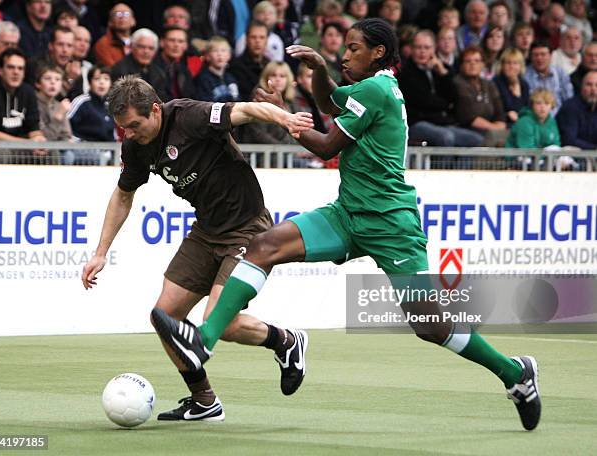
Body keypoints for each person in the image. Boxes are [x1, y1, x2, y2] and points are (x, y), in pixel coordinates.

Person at [151, 17, 542, 433]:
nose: (346, 54)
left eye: (354, 48)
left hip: (391, 223)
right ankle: (203, 342)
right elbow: (332, 104)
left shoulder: (376, 89)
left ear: (378, 53)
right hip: (348, 213)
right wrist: (319, 72)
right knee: (264, 245)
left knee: (430, 325)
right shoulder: (373, 87)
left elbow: (325, 145)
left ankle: (514, 373)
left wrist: (284, 116)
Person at [81, 75, 313, 422]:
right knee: (164, 317)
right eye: (122, 128)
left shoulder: (190, 116)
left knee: (221, 323)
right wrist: (100, 252)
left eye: (133, 125)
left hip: (248, 230)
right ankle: (204, 401)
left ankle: (286, 341)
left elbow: (247, 110)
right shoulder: (135, 145)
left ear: (155, 111)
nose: (128, 134)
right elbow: (123, 195)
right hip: (205, 231)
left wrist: (286, 119)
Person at [397, 29, 483, 147]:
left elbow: (454, 97)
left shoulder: (441, 69)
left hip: (441, 122)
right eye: (418, 47)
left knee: (475, 139)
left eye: (427, 48)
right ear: (411, 49)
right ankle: (442, 166)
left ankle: (460, 166)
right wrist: (446, 104)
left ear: (434, 49)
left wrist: (443, 73)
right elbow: (424, 101)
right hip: (416, 123)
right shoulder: (405, 72)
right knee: (446, 137)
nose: (422, 52)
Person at [0, 48, 47, 164]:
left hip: (20, 146)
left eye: (20, 68)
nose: (16, 72)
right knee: (1, 154)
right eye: (10, 67)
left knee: (51, 154)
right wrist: (26, 143)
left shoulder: (28, 91)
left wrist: (38, 140)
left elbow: (33, 127)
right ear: (0, 71)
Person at [454, 45, 508, 146]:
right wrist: (494, 129)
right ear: (461, 65)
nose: (472, 64)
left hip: (489, 129)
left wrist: (500, 126)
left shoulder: (489, 84)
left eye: (477, 61)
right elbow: (469, 116)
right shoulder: (458, 83)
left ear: (483, 64)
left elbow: (499, 112)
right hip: (466, 129)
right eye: (468, 61)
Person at [67, 65, 115, 165]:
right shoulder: (81, 101)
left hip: (105, 151)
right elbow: (66, 125)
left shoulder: (110, 106)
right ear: (89, 82)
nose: (102, 82)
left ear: (110, 84)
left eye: (106, 79)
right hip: (80, 149)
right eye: (97, 79)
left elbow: (112, 136)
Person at [111, 28, 168, 101]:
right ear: (131, 47)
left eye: (151, 48)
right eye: (142, 47)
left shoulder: (159, 72)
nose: (146, 51)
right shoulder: (120, 71)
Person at [525, 41, 574, 115]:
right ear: (531, 57)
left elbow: (569, 100)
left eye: (543, 54)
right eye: (535, 55)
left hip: (560, 118)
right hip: (533, 119)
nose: (539, 58)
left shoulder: (561, 73)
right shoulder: (524, 76)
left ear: (550, 56)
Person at [34, 63, 70, 164]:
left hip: (57, 148)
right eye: (48, 78)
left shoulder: (59, 105)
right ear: (38, 83)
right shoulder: (33, 103)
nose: (53, 82)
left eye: (57, 79)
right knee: (65, 156)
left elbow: (67, 136)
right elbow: (41, 138)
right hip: (38, 152)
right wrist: (58, 117)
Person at [229, 21, 270, 101]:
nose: (257, 41)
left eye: (262, 37)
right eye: (253, 37)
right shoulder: (236, 66)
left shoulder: (270, 65)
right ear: (246, 39)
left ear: (267, 41)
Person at [557, 70, 597, 150]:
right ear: (581, 87)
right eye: (589, 85)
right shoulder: (570, 107)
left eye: (596, 85)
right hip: (573, 157)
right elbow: (569, 140)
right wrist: (594, 149)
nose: (593, 89)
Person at [194, 36, 240, 102]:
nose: (219, 54)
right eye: (215, 51)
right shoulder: (203, 79)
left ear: (229, 55)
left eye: (223, 50)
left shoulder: (231, 78)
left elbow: (238, 99)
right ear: (207, 56)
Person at [493, 47, 530, 125]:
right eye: (508, 63)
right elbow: (508, 108)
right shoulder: (496, 82)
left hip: (521, 123)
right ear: (502, 65)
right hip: (503, 123)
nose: (511, 66)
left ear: (521, 66)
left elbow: (527, 110)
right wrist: (517, 96)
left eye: (515, 63)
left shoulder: (524, 84)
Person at [93, 3, 135, 67]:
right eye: (118, 14)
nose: (122, 17)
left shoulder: (139, 44)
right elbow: (113, 70)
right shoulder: (103, 44)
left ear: (133, 21)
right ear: (110, 22)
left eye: (126, 14)